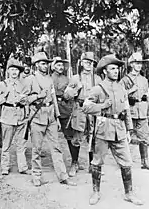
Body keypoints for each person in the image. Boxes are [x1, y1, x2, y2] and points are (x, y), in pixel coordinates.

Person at [82, 54, 143, 205]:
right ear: (104, 71)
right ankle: (96, 192)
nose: (116, 71)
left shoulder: (121, 88)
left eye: (117, 69)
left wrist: (129, 130)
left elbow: (127, 109)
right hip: (103, 129)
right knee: (97, 162)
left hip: (120, 130)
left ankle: (129, 193)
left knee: (127, 162)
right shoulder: (98, 89)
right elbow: (86, 107)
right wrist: (102, 106)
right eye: (112, 69)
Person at [27, 52, 76, 187]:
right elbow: (23, 99)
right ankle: (36, 176)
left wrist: (58, 117)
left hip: (51, 117)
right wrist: (37, 96)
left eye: (47, 63)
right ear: (36, 65)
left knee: (56, 147)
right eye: (43, 63)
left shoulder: (49, 79)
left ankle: (63, 176)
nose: (45, 66)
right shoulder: (30, 79)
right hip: (37, 116)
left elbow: (54, 98)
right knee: (36, 149)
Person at [64, 52, 102, 176]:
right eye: (86, 62)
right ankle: (74, 163)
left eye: (91, 62)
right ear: (81, 63)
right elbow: (66, 95)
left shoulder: (97, 79)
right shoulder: (75, 78)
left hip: (93, 111)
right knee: (76, 138)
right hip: (79, 110)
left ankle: (93, 164)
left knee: (94, 137)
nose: (89, 64)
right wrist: (76, 90)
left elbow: (102, 95)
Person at [0, 59, 30, 175]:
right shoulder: (2, 85)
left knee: (21, 144)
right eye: (12, 69)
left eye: (16, 70)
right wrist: (6, 94)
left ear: (19, 72)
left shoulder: (23, 84)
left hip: (21, 116)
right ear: (8, 71)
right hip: (7, 117)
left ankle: (23, 167)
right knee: (6, 144)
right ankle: (5, 167)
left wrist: (24, 101)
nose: (14, 72)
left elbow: (27, 99)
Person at [119, 52, 149, 171]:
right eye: (137, 63)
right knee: (125, 137)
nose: (139, 66)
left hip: (143, 111)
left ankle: (145, 162)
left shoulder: (144, 80)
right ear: (131, 64)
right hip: (130, 111)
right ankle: (124, 162)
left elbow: (148, 95)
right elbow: (119, 95)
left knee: (144, 137)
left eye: (140, 63)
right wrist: (130, 91)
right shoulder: (125, 80)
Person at [50, 57, 77, 171]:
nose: (60, 67)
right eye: (58, 65)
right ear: (53, 66)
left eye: (62, 65)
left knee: (70, 135)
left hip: (65, 107)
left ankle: (74, 161)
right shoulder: (49, 78)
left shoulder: (67, 79)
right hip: (51, 107)